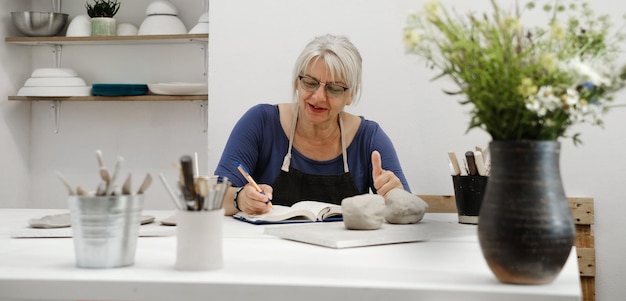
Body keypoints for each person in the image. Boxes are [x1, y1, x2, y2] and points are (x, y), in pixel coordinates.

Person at [215, 34, 410, 216]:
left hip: (346, 252)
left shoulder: (369, 138)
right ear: (296, 83)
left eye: (334, 88)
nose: (318, 97)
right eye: (310, 82)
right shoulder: (261, 123)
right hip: (270, 250)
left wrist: (395, 195)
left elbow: (409, 210)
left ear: (350, 95)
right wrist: (239, 198)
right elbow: (213, 196)